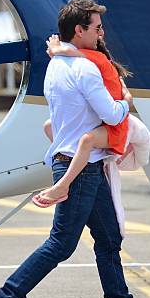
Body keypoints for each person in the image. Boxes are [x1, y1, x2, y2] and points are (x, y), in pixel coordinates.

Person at [0, 0, 150, 298]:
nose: (101, 33)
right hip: (80, 168)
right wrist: (126, 103)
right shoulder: (84, 69)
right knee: (60, 245)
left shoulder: (58, 65)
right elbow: (111, 114)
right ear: (78, 31)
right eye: (96, 28)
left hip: (82, 163)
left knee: (109, 241)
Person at [32, 35, 132, 208]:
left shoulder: (95, 59)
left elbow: (68, 52)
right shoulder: (100, 62)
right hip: (110, 122)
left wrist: (56, 49)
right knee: (49, 125)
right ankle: (73, 159)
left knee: (87, 139)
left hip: (116, 129)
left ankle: (63, 185)